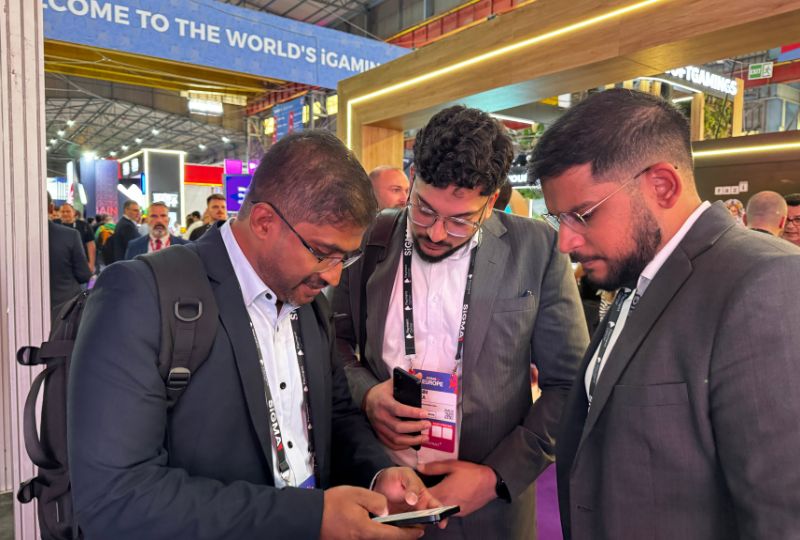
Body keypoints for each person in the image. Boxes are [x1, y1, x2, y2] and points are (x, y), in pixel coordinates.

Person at [68, 131, 443, 540]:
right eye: (323, 253)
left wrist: (378, 474)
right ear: (265, 222)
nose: (334, 276)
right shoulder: (142, 294)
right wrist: (307, 517)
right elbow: (116, 497)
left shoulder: (308, 300)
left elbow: (335, 413)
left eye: (346, 257)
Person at [530, 88, 800, 540]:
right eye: (560, 219)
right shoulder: (640, 274)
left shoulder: (765, 282)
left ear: (662, 186)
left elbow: (783, 515)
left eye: (583, 215)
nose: (566, 242)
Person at [333, 105, 587, 538]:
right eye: (424, 210)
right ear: (412, 178)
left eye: (459, 221)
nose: (435, 233)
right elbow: (333, 342)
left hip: (489, 509)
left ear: (490, 202)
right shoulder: (372, 238)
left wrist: (495, 476)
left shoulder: (536, 249)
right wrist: (368, 394)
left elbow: (569, 384)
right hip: (384, 489)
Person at [47, 193, 91, 323]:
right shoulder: (70, 236)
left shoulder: (8, 239)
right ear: (51, 208)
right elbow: (83, 275)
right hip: (64, 311)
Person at [59, 202, 96, 274]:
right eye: (63, 212)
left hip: (81, 264)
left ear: (74, 212)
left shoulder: (84, 226)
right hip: (61, 265)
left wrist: (91, 264)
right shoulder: (55, 224)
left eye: (68, 211)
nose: (65, 214)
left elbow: (91, 245)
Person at [106, 200, 141, 265]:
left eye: (139, 210)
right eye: (135, 210)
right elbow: (134, 247)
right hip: (127, 263)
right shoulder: (127, 226)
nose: (138, 213)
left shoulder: (123, 222)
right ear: (126, 210)